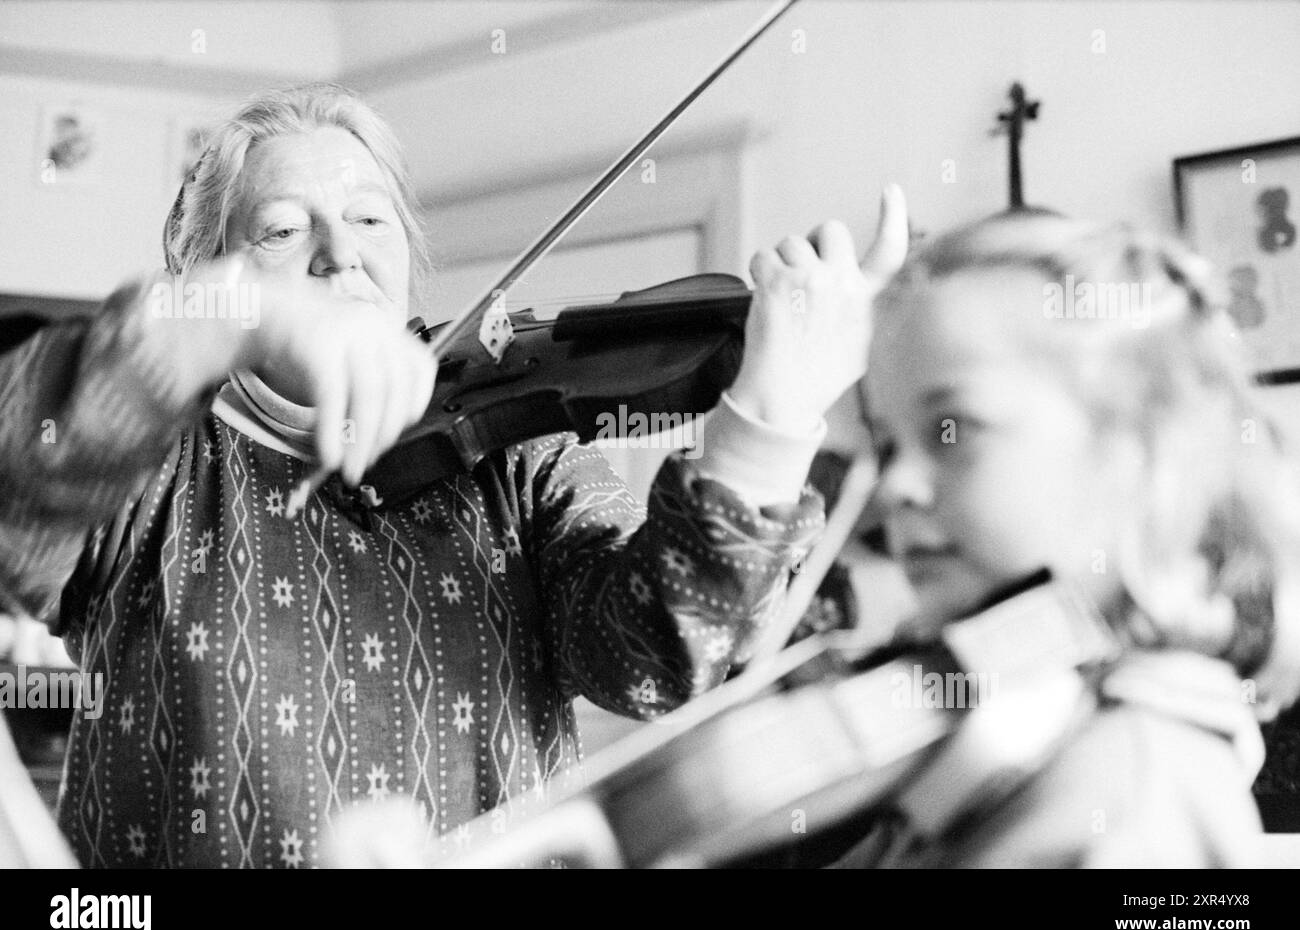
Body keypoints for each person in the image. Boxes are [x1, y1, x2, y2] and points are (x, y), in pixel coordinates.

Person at [0, 82, 908, 867]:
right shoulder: (153, 456)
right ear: (205, 268)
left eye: (368, 218)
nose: (339, 253)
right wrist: (234, 314)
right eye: (281, 231)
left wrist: (773, 423)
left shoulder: (513, 455)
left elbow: (663, 661)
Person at [836, 211, 1300, 867]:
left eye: (953, 428)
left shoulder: (1132, 800)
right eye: (887, 443)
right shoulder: (1000, 735)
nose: (894, 485)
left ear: (1139, 451)